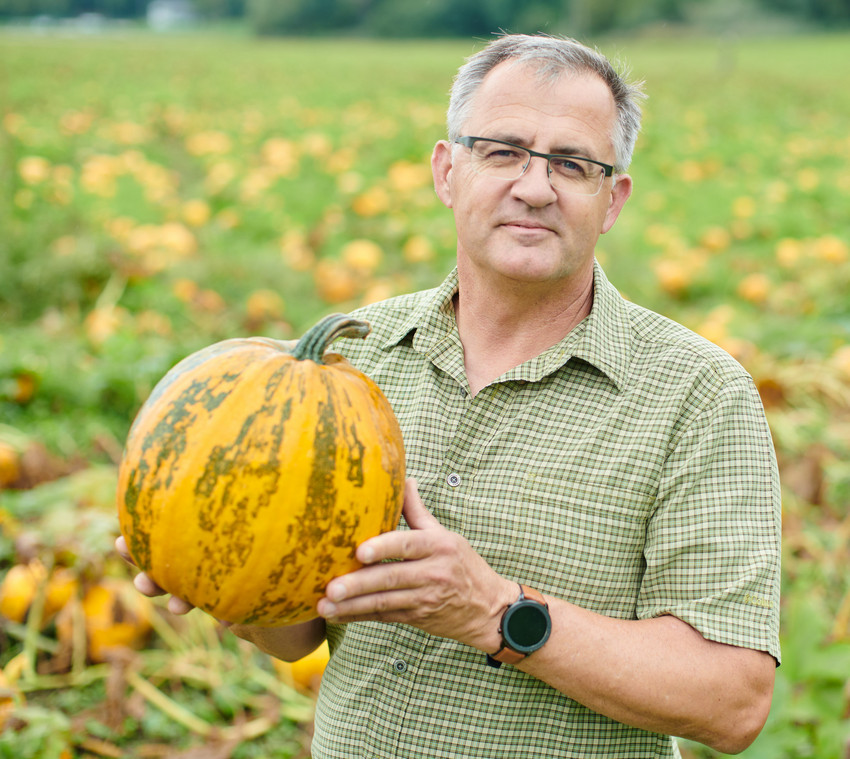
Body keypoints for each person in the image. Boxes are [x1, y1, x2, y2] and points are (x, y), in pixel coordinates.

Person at [118, 33, 781, 758]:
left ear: (611, 198)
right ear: (447, 169)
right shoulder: (351, 359)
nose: (534, 186)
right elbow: (298, 631)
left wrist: (493, 612)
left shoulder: (699, 393)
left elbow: (733, 698)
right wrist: (225, 577)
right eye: (503, 151)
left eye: (572, 163)